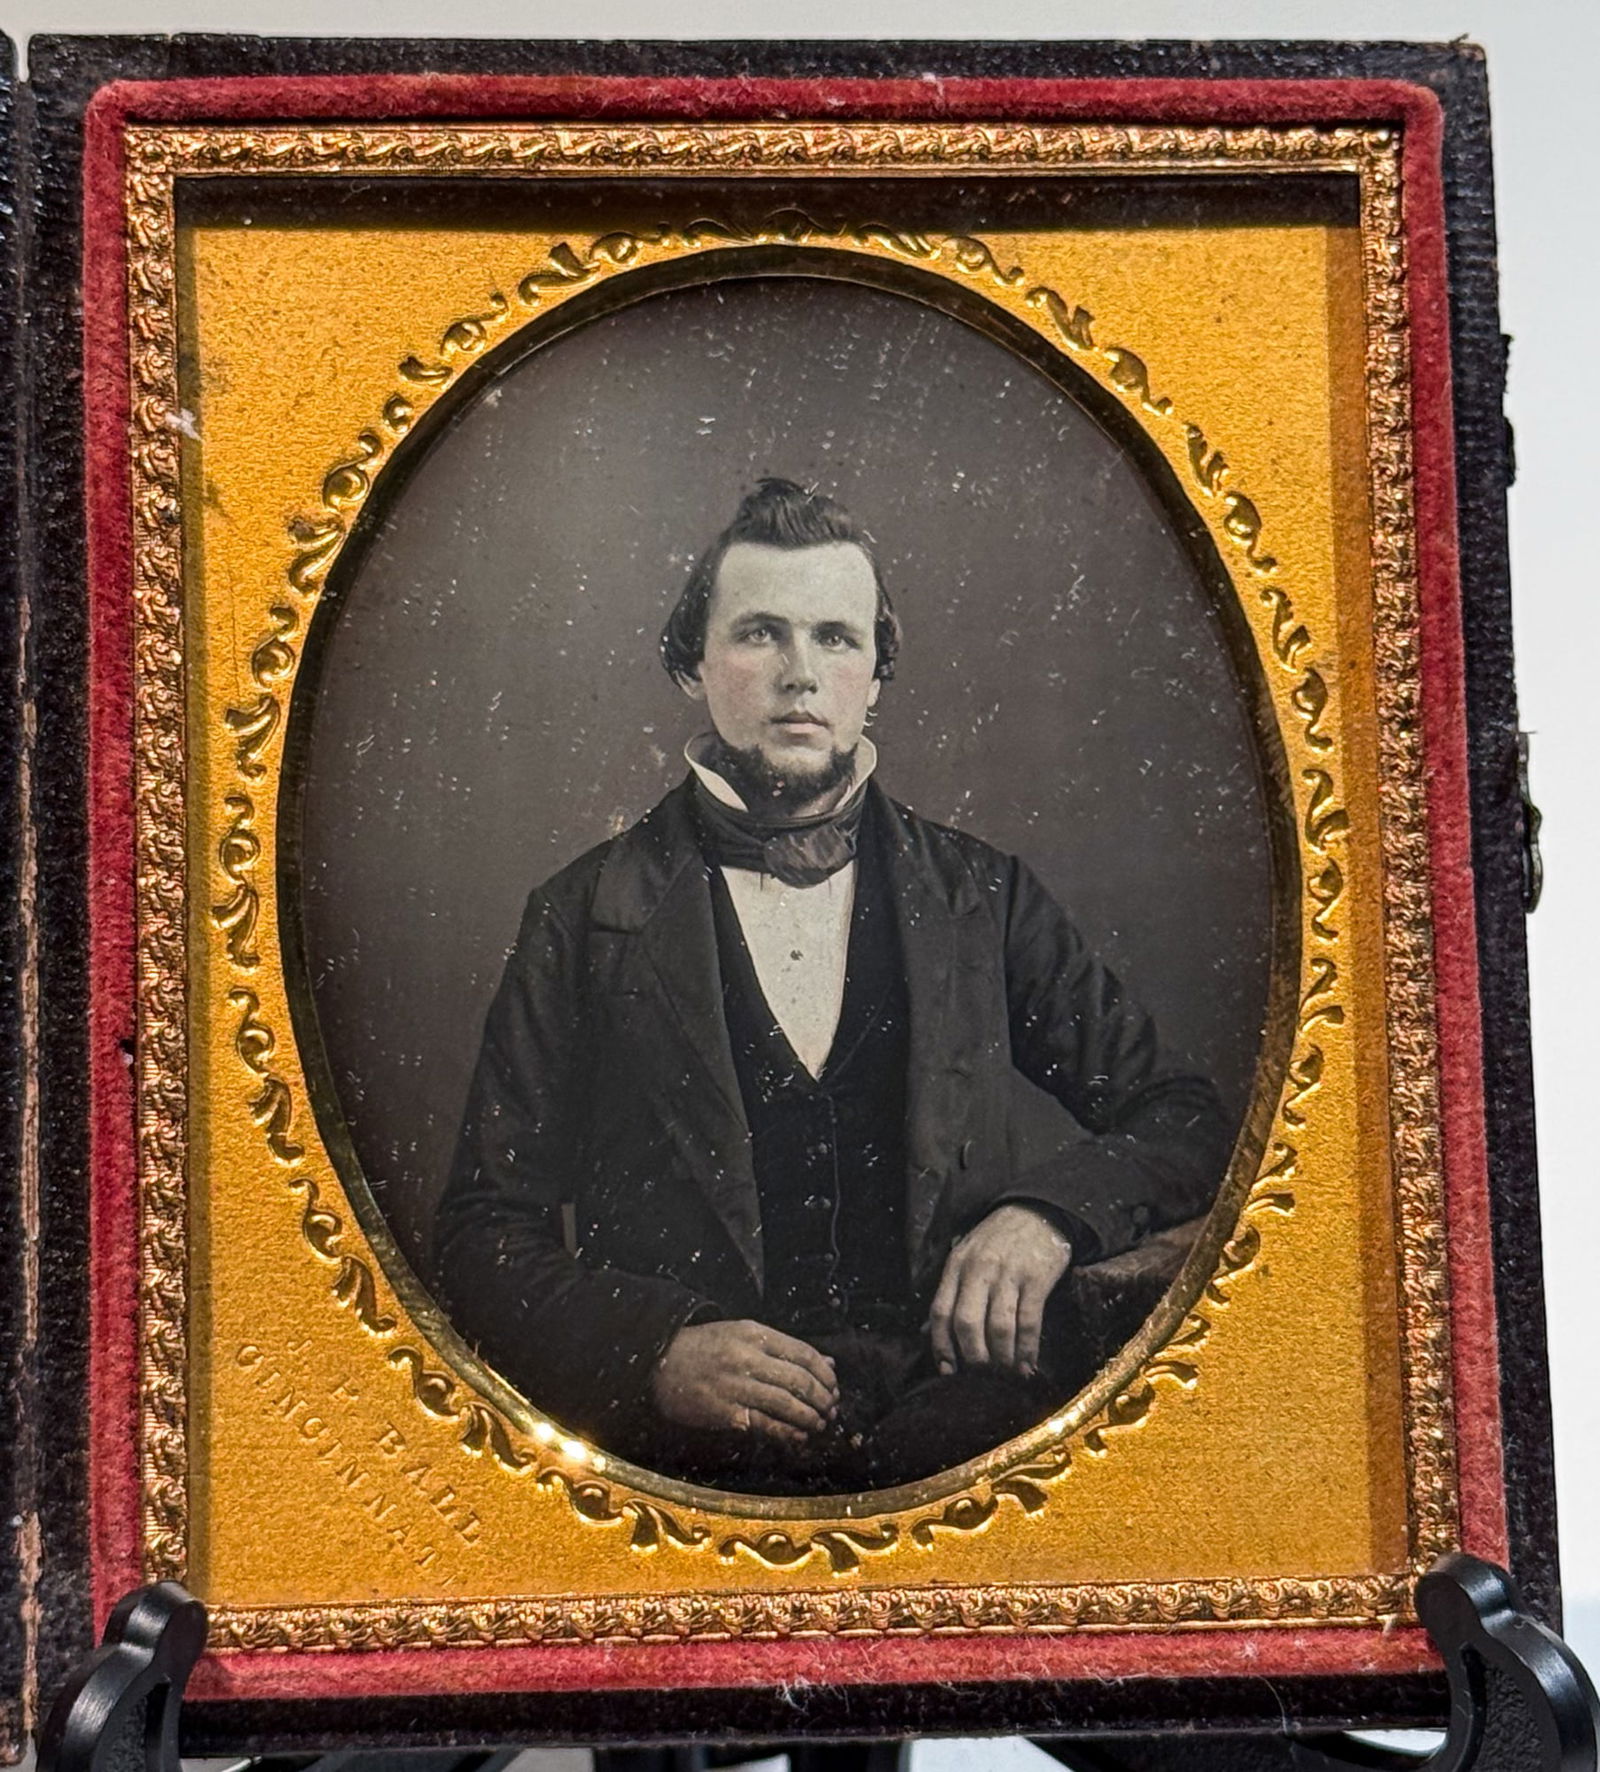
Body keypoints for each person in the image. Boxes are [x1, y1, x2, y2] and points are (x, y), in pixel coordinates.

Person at [435, 478, 1228, 1493]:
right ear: (692, 662)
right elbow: (479, 1236)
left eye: (836, 638)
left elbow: (1184, 1117)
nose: (799, 674)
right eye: (760, 633)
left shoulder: (983, 897)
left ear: (877, 673)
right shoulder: (582, 916)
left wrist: (1049, 1213)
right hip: (692, 1474)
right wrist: (652, 1348)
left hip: (967, 1448)